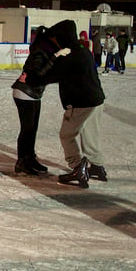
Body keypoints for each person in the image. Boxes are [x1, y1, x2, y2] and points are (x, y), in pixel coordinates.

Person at [27, 19, 106, 189]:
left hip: (81, 103)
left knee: (67, 135)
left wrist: (35, 75)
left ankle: (77, 168)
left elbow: (44, 78)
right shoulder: (84, 51)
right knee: (90, 134)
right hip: (97, 100)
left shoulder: (68, 56)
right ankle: (97, 167)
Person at [11, 26, 71, 176]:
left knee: (32, 129)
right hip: (25, 92)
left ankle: (30, 158)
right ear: (52, 38)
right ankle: (22, 162)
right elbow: (37, 73)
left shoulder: (47, 49)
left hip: (34, 93)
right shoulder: (40, 50)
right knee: (27, 129)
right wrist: (55, 56)